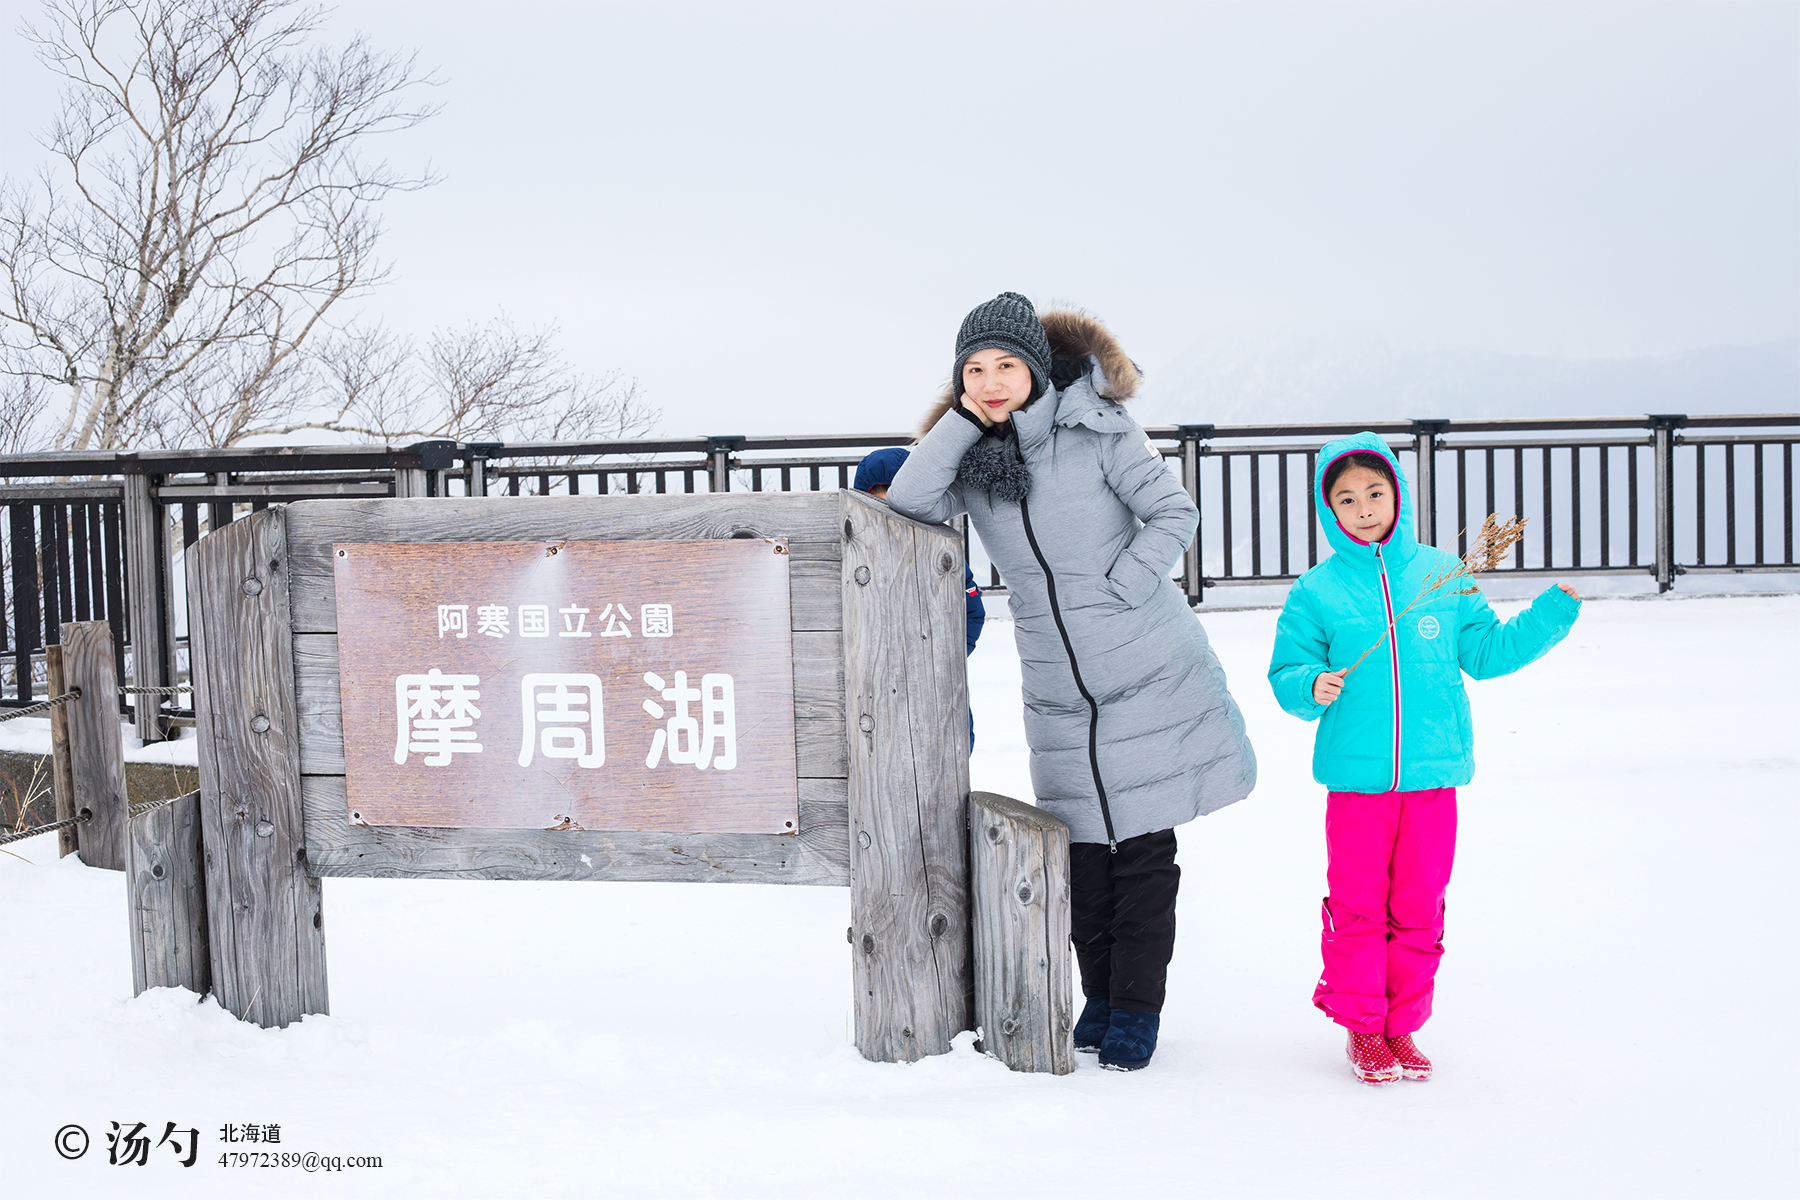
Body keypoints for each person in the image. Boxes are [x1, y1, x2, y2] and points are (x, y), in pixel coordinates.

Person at [887, 292, 1256, 1071]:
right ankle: (1098, 998)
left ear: (1036, 368)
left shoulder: (1096, 431)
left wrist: (1119, 589)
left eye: (1006, 366)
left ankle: (1137, 1010)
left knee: (1144, 854)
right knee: (1083, 858)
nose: (991, 381)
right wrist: (960, 425)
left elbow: (1173, 513)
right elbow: (913, 500)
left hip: (1145, 664)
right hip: (1057, 685)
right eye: (974, 371)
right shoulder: (981, 466)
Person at [1267, 433, 1582, 1085]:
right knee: (1359, 906)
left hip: (1433, 778)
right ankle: (1363, 1028)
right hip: (1358, 784)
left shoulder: (1442, 575)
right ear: (1329, 511)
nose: (1363, 508)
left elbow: (1488, 654)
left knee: (1418, 906)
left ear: (1399, 497)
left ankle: (1401, 1025)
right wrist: (1308, 685)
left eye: (1375, 494)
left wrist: (1553, 613)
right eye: (1346, 499)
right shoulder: (1317, 592)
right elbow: (1287, 672)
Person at [854, 447, 986, 744]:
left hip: (931, 670)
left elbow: (972, 610)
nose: (890, 516)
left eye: (899, 503)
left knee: (948, 736)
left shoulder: (941, 551)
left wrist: (947, 656)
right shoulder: (853, 557)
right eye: (878, 503)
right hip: (870, 678)